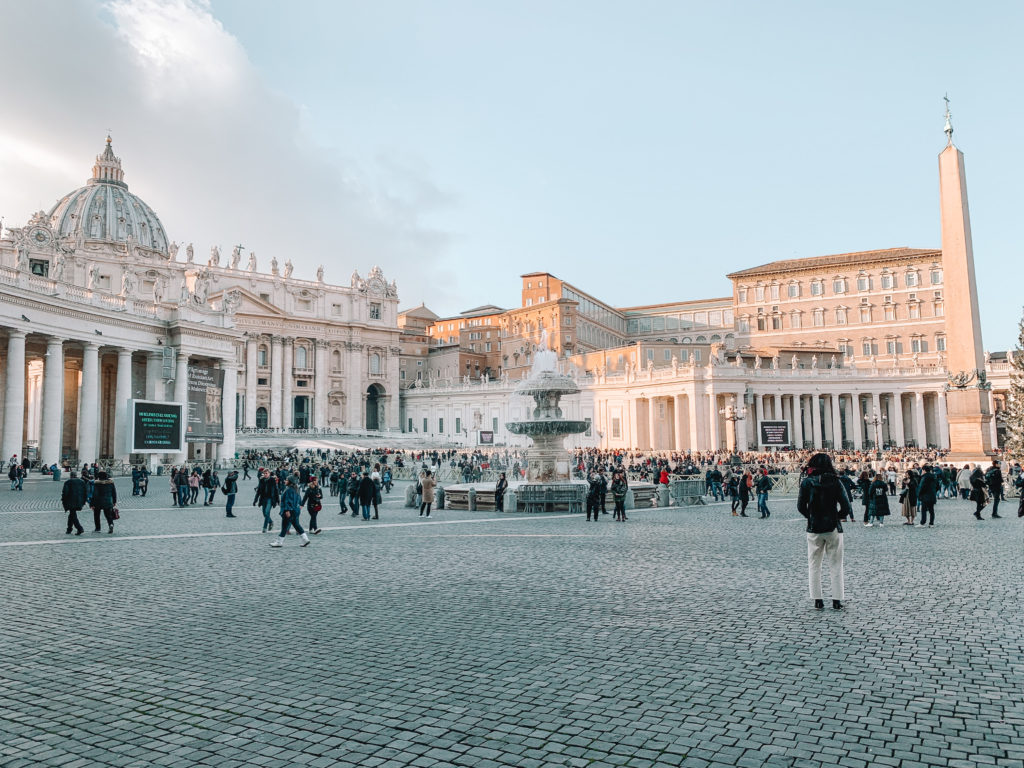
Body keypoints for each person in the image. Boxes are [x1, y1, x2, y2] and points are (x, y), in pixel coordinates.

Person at [797, 453, 850, 610]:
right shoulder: (836, 481)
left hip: (814, 528)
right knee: (836, 564)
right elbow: (846, 507)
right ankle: (836, 600)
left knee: (814, 564)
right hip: (833, 528)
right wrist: (835, 517)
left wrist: (812, 517)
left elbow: (800, 507)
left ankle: (817, 599)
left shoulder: (807, 483)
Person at [270, 478, 310, 547]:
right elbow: (299, 499)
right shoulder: (296, 489)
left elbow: (287, 500)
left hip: (290, 510)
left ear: (290, 482)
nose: (285, 481)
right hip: (296, 510)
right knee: (296, 525)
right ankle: (305, 539)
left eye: (286, 480)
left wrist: (287, 510)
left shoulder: (288, 490)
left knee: (284, 526)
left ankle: (279, 542)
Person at [61, 470, 87, 535]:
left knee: (73, 515)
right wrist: (84, 501)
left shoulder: (68, 482)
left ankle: (79, 528)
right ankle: (69, 529)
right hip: (79, 501)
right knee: (72, 515)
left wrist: (63, 500)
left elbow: (65, 493)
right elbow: (85, 492)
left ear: (70, 476)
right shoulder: (82, 482)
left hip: (70, 501)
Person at [254, 469, 279, 533]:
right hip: (263, 498)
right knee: (264, 513)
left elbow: (276, 490)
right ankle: (270, 522)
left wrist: (278, 500)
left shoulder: (272, 480)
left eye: (266, 473)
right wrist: (255, 500)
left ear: (269, 473)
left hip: (270, 498)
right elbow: (258, 491)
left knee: (267, 512)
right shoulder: (261, 480)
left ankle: (264, 528)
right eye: (264, 473)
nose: (265, 474)